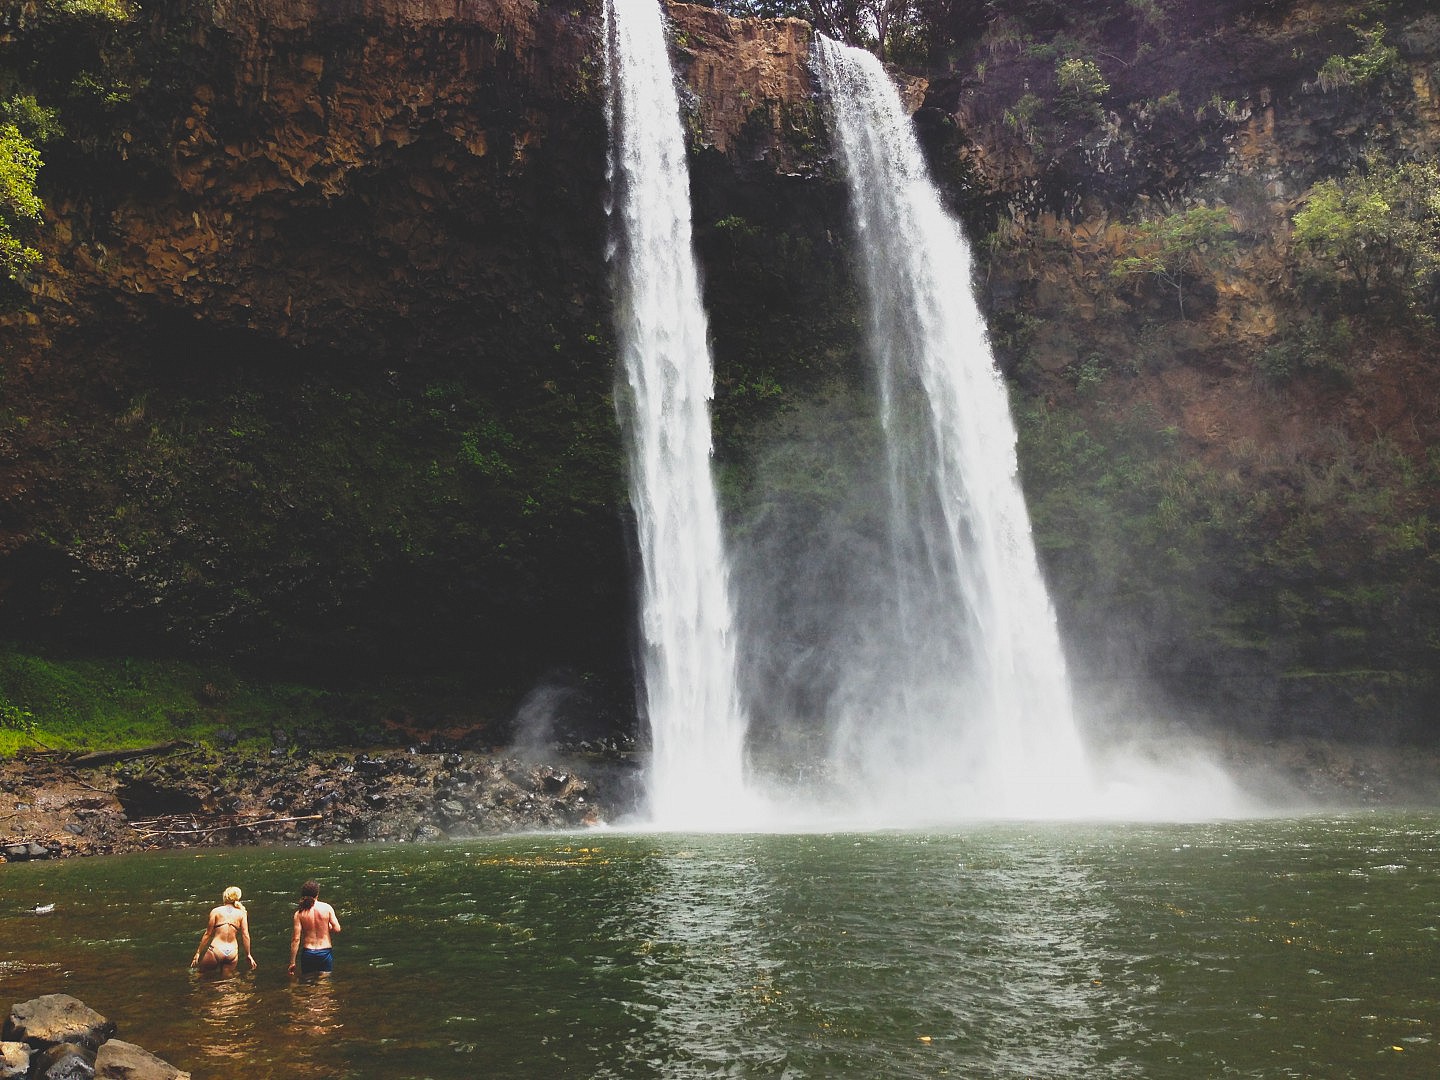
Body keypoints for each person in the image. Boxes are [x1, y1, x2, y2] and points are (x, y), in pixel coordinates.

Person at [191, 886, 256, 972]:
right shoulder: (242, 913)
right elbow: (245, 935)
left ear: (225, 897)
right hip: (232, 952)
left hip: (216, 949)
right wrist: (248, 954)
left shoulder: (216, 911)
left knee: (201, 978)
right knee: (227, 981)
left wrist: (198, 952)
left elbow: (208, 934)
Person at [288, 879, 342, 975]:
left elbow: (296, 939)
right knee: (324, 984)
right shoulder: (327, 908)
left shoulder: (299, 913)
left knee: (308, 983)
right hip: (324, 952)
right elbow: (337, 929)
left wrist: (292, 962)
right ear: (317, 894)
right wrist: (326, 926)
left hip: (308, 953)